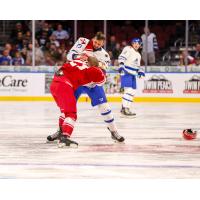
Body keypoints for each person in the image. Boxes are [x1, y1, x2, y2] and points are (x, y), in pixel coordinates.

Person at [47, 32, 125, 143]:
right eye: (96, 42)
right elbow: (70, 56)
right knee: (67, 108)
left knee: (105, 107)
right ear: (93, 38)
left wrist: (93, 64)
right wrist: (83, 58)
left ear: (103, 43)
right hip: (76, 80)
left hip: (91, 83)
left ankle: (114, 131)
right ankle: (61, 131)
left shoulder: (105, 55)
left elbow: (103, 71)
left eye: (100, 44)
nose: (97, 45)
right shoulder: (83, 41)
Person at [50, 57, 106, 147]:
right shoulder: (93, 69)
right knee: (71, 114)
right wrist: (101, 68)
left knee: (65, 112)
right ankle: (64, 138)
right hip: (65, 86)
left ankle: (60, 133)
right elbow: (102, 81)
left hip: (54, 84)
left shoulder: (77, 60)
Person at [118, 38, 145, 117]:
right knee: (128, 90)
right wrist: (121, 65)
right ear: (132, 44)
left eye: (138, 43)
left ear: (140, 45)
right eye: (134, 43)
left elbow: (137, 66)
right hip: (126, 72)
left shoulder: (139, 55)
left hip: (133, 74)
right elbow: (122, 57)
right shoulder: (128, 49)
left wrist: (140, 71)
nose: (136, 44)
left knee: (132, 92)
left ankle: (127, 108)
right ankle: (124, 109)